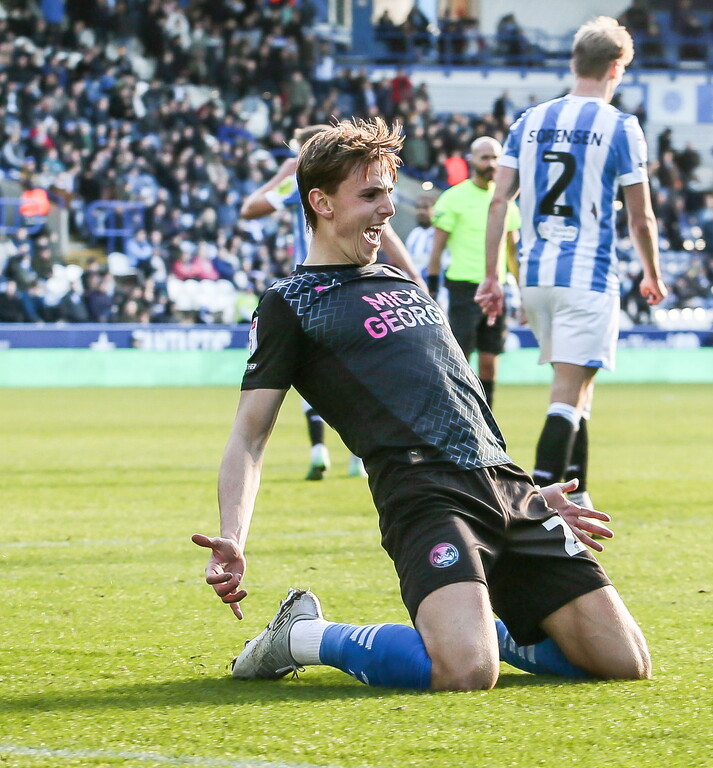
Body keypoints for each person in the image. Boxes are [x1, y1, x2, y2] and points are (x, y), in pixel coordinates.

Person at [192, 117, 651, 692]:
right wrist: (234, 533)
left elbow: (461, 400)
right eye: (371, 195)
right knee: (465, 672)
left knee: (624, 662)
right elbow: (249, 435)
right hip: (424, 494)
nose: (389, 208)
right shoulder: (292, 304)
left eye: (389, 192)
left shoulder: (405, 284)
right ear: (321, 203)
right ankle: (303, 635)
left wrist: (528, 488)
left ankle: (486, 626)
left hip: (508, 487)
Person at [477, 16, 666, 508]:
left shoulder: (529, 121)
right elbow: (641, 218)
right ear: (617, 68)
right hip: (587, 276)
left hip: (537, 279)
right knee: (567, 392)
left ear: (573, 63)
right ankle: (530, 509)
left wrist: (493, 276)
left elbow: (499, 204)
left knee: (580, 387)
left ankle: (580, 497)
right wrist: (652, 271)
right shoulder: (621, 127)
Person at [240, 124, 425, 481]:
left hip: (313, 283)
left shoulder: (301, 182)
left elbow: (250, 208)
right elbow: (385, 232)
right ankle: (360, 453)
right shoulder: (351, 186)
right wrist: (414, 277)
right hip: (359, 281)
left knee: (312, 367)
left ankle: (319, 449)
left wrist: (284, 172)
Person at [427, 136, 520, 407]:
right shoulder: (453, 198)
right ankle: (459, 413)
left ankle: (487, 417)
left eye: (495, 158)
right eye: (485, 157)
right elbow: (437, 250)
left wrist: (521, 287)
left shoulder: (506, 201)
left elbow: (513, 251)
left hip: (496, 290)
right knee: (461, 359)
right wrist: (432, 288)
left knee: (490, 360)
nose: (491, 163)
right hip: (463, 288)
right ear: (472, 160)